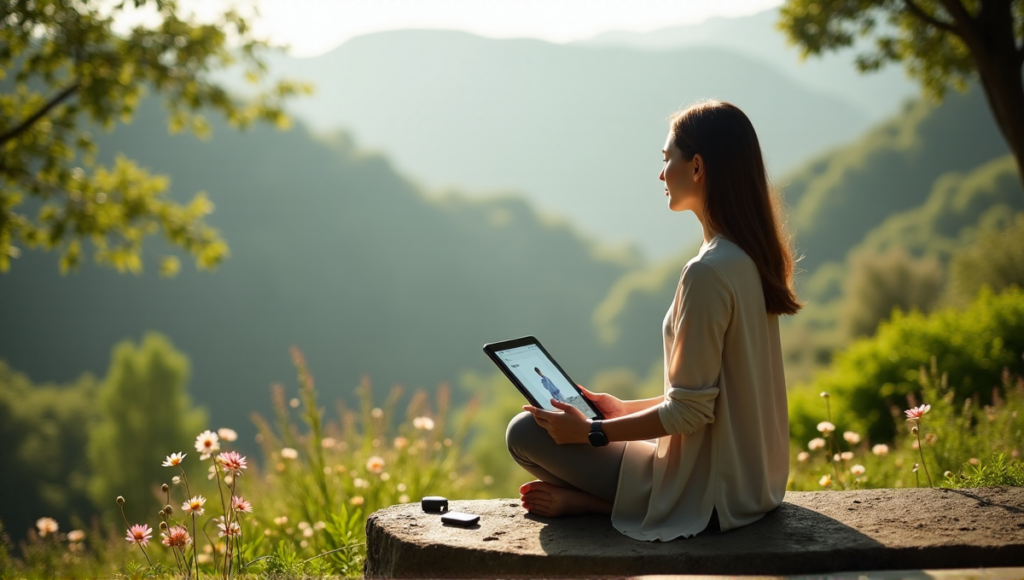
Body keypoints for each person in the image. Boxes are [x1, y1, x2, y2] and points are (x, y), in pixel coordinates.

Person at [504, 100, 801, 541]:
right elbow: (711, 399)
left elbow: (689, 412)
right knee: (555, 426)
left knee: (526, 430)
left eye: (667, 160)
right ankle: (612, 499)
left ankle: (601, 507)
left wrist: (593, 433)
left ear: (697, 167)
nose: (661, 175)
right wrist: (622, 409)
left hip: (711, 494)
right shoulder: (749, 258)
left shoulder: (707, 272)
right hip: (755, 484)